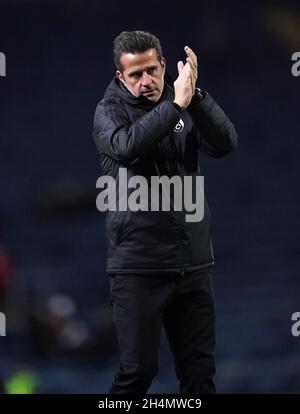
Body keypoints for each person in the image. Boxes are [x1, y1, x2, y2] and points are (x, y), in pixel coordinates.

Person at [93, 30, 237, 394]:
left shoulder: (186, 100)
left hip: (192, 263)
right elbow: (127, 147)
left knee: (199, 377)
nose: (145, 82)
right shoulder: (108, 111)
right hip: (139, 267)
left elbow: (225, 144)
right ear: (119, 78)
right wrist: (175, 106)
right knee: (138, 373)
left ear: (163, 66)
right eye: (135, 75)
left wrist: (197, 97)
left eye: (151, 71)